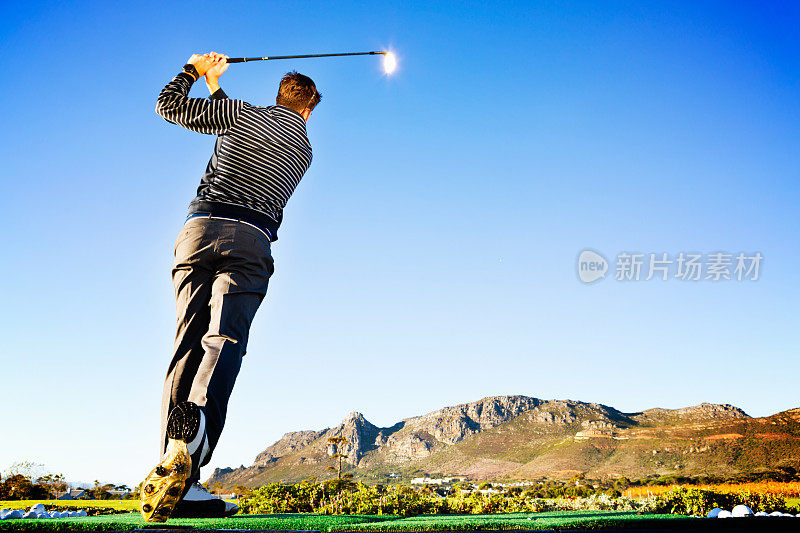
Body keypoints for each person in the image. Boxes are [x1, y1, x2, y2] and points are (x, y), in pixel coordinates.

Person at [139, 52, 321, 522]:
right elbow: (252, 129)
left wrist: (194, 71)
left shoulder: (240, 114)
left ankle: (174, 467)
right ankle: (192, 448)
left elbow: (169, 106)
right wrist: (214, 84)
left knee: (185, 344)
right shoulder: (303, 149)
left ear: (278, 95)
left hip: (197, 232)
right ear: (307, 109)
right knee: (223, 342)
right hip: (250, 240)